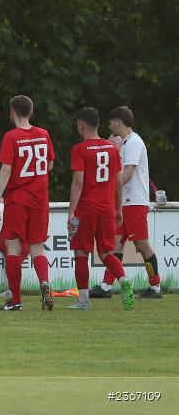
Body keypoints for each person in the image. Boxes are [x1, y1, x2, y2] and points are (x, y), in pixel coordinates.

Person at [90, 106, 162, 299]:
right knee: (114, 244)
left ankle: (155, 287)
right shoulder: (127, 142)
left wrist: (109, 190)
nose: (110, 125)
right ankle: (106, 286)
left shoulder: (133, 142)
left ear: (119, 121)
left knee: (141, 244)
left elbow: (128, 173)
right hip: (126, 202)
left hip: (134, 202)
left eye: (111, 122)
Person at [0, 95, 55, 312]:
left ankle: (16, 300)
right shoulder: (43, 134)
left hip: (19, 199)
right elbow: (49, 164)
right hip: (40, 199)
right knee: (37, 246)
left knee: (13, 246)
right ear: (30, 111)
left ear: (12, 112)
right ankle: (44, 284)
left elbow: (7, 169)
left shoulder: (11, 136)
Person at [67, 107, 134, 310]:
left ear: (81, 125)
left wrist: (71, 212)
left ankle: (84, 300)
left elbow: (78, 182)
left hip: (86, 210)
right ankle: (123, 280)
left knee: (80, 253)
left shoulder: (79, 150)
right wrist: (118, 209)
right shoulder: (112, 149)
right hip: (106, 210)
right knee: (106, 253)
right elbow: (118, 183)